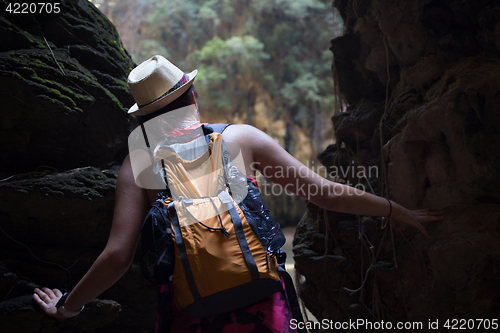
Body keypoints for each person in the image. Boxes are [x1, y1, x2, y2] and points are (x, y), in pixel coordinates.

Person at [33, 55, 443, 331]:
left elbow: (117, 257)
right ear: (192, 97)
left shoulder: (137, 162)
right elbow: (322, 192)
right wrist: (396, 209)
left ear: (146, 119)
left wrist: (69, 305)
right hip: (262, 298)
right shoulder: (239, 138)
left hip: (191, 308)